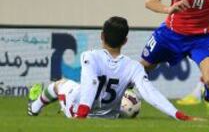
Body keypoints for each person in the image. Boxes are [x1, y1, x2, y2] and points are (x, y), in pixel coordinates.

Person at [27, 16, 197, 121]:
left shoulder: (89, 56)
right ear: (125, 41)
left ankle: (34, 107)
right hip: (109, 116)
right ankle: (35, 106)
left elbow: (91, 83)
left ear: (102, 36)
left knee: (59, 85)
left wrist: (81, 114)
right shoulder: (134, 67)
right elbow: (150, 93)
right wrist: (177, 114)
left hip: (79, 111)